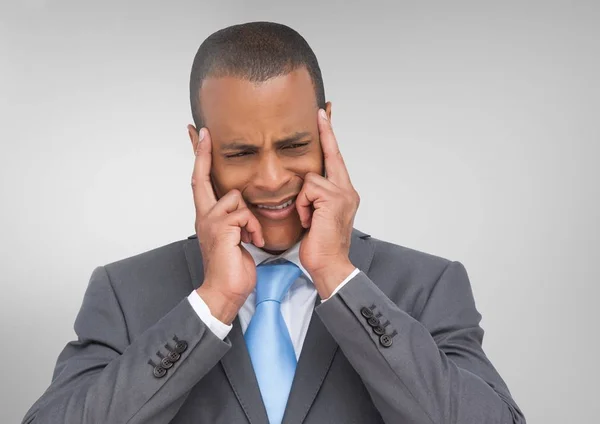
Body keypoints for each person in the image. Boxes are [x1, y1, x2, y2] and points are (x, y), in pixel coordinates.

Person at [22, 21, 526, 424]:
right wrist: (212, 303)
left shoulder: (429, 285)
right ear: (200, 148)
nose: (270, 178)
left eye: (294, 145)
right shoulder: (122, 291)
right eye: (240, 152)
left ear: (326, 124)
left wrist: (336, 275)